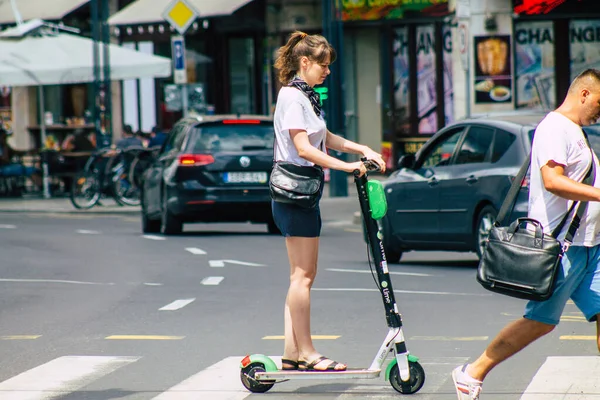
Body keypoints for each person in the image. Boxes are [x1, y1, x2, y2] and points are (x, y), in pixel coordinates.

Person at [452, 68, 600, 399]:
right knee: (540, 322)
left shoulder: (576, 131)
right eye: (599, 102)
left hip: (591, 245)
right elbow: (553, 181)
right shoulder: (554, 128)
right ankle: (472, 372)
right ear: (584, 94)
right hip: (562, 249)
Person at [271, 31, 386, 372]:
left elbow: (325, 137)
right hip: (295, 193)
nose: (327, 71)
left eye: (328, 66)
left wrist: (361, 149)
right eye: (322, 65)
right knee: (303, 276)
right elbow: (304, 148)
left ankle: (292, 352)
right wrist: (349, 166)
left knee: (301, 275)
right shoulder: (293, 97)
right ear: (304, 63)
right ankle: (306, 352)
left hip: (303, 193)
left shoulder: (305, 96)